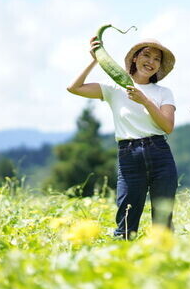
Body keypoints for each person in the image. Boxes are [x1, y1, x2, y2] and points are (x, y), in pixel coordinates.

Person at [67, 36, 178, 239]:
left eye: (156, 59)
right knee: (126, 219)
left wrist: (145, 101)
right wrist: (95, 59)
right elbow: (74, 87)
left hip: (159, 153)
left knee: (163, 222)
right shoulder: (115, 88)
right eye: (146, 55)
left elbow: (167, 125)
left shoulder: (163, 92)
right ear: (134, 59)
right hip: (129, 156)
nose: (151, 61)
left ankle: (163, 265)